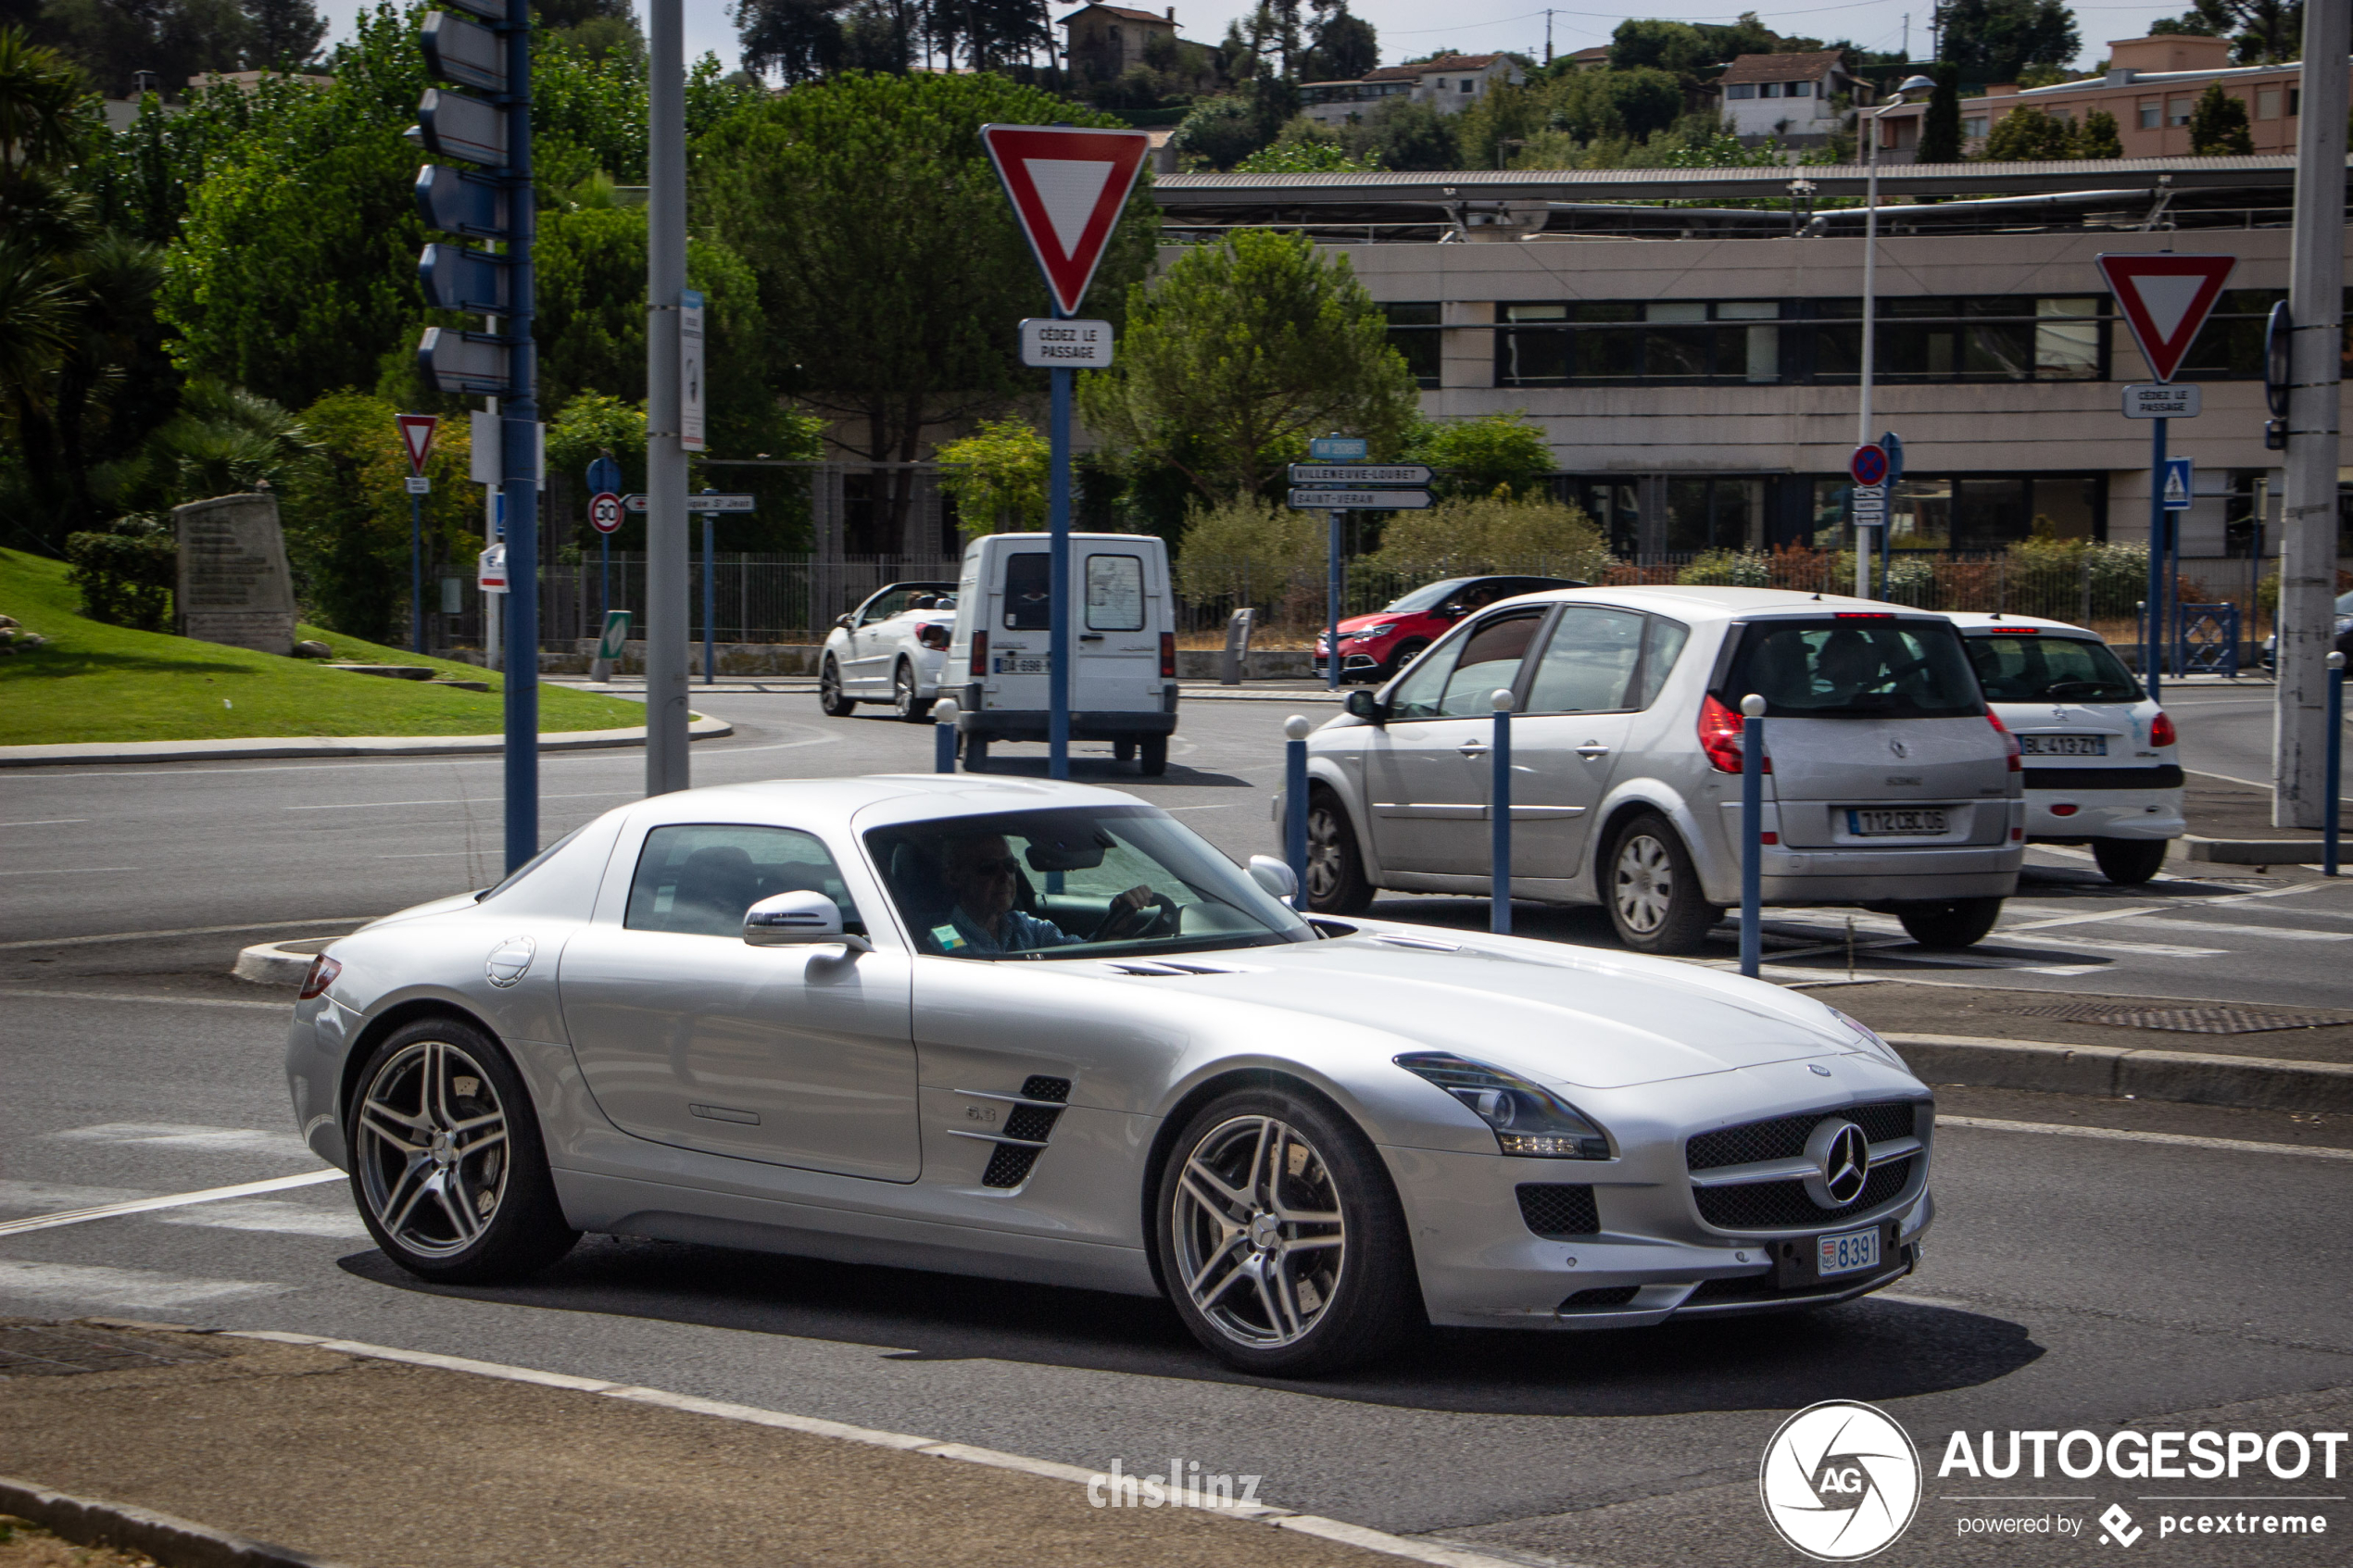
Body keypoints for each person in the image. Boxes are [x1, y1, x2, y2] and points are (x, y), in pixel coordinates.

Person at [933, 834, 1160, 955]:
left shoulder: (1025, 925)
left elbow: (1079, 955)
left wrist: (1114, 929)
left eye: (1010, 865)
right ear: (954, 878)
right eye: (989, 868)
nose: (1005, 877)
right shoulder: (944, 936)